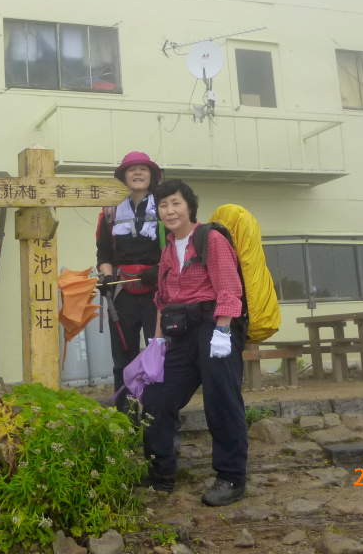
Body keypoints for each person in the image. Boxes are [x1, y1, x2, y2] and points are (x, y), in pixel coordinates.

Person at [141, 178, 248, 507]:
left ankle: (231, 477)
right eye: (162, 205)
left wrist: (224, 331)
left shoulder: (210, 239)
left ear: (189, 206)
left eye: (175, 203)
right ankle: (160, 473)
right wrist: (157, 343)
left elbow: (229, 288)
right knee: (156, 394)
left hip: (216, 326)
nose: (169, 210)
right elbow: (162, 298)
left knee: (221, 399)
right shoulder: (167, 249)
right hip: (181, 331)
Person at [96, 151, 163, 414]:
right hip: (122, 293)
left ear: (151, 176)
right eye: (131, 169)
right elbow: (104, 252)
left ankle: (160, 419)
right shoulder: (110, 212)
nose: (137, 173)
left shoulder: (165, 207)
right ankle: (123, 420)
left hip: (157, 294)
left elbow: (175, 245)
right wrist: (108, 276)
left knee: (158, 356)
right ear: (124, 177)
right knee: (122, 359)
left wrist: (159, 269)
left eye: (143, 169)